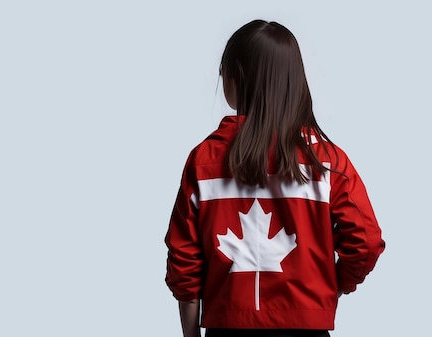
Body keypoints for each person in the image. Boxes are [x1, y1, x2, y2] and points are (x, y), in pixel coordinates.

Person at [164, 19, 385, 337]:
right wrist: (329, 289)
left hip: (227, 328)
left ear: (235, 77)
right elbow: (365, 243)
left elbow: (184, 258)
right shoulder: (328, 161)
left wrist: (190, 334)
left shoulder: (204, 161)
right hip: (307, 328)